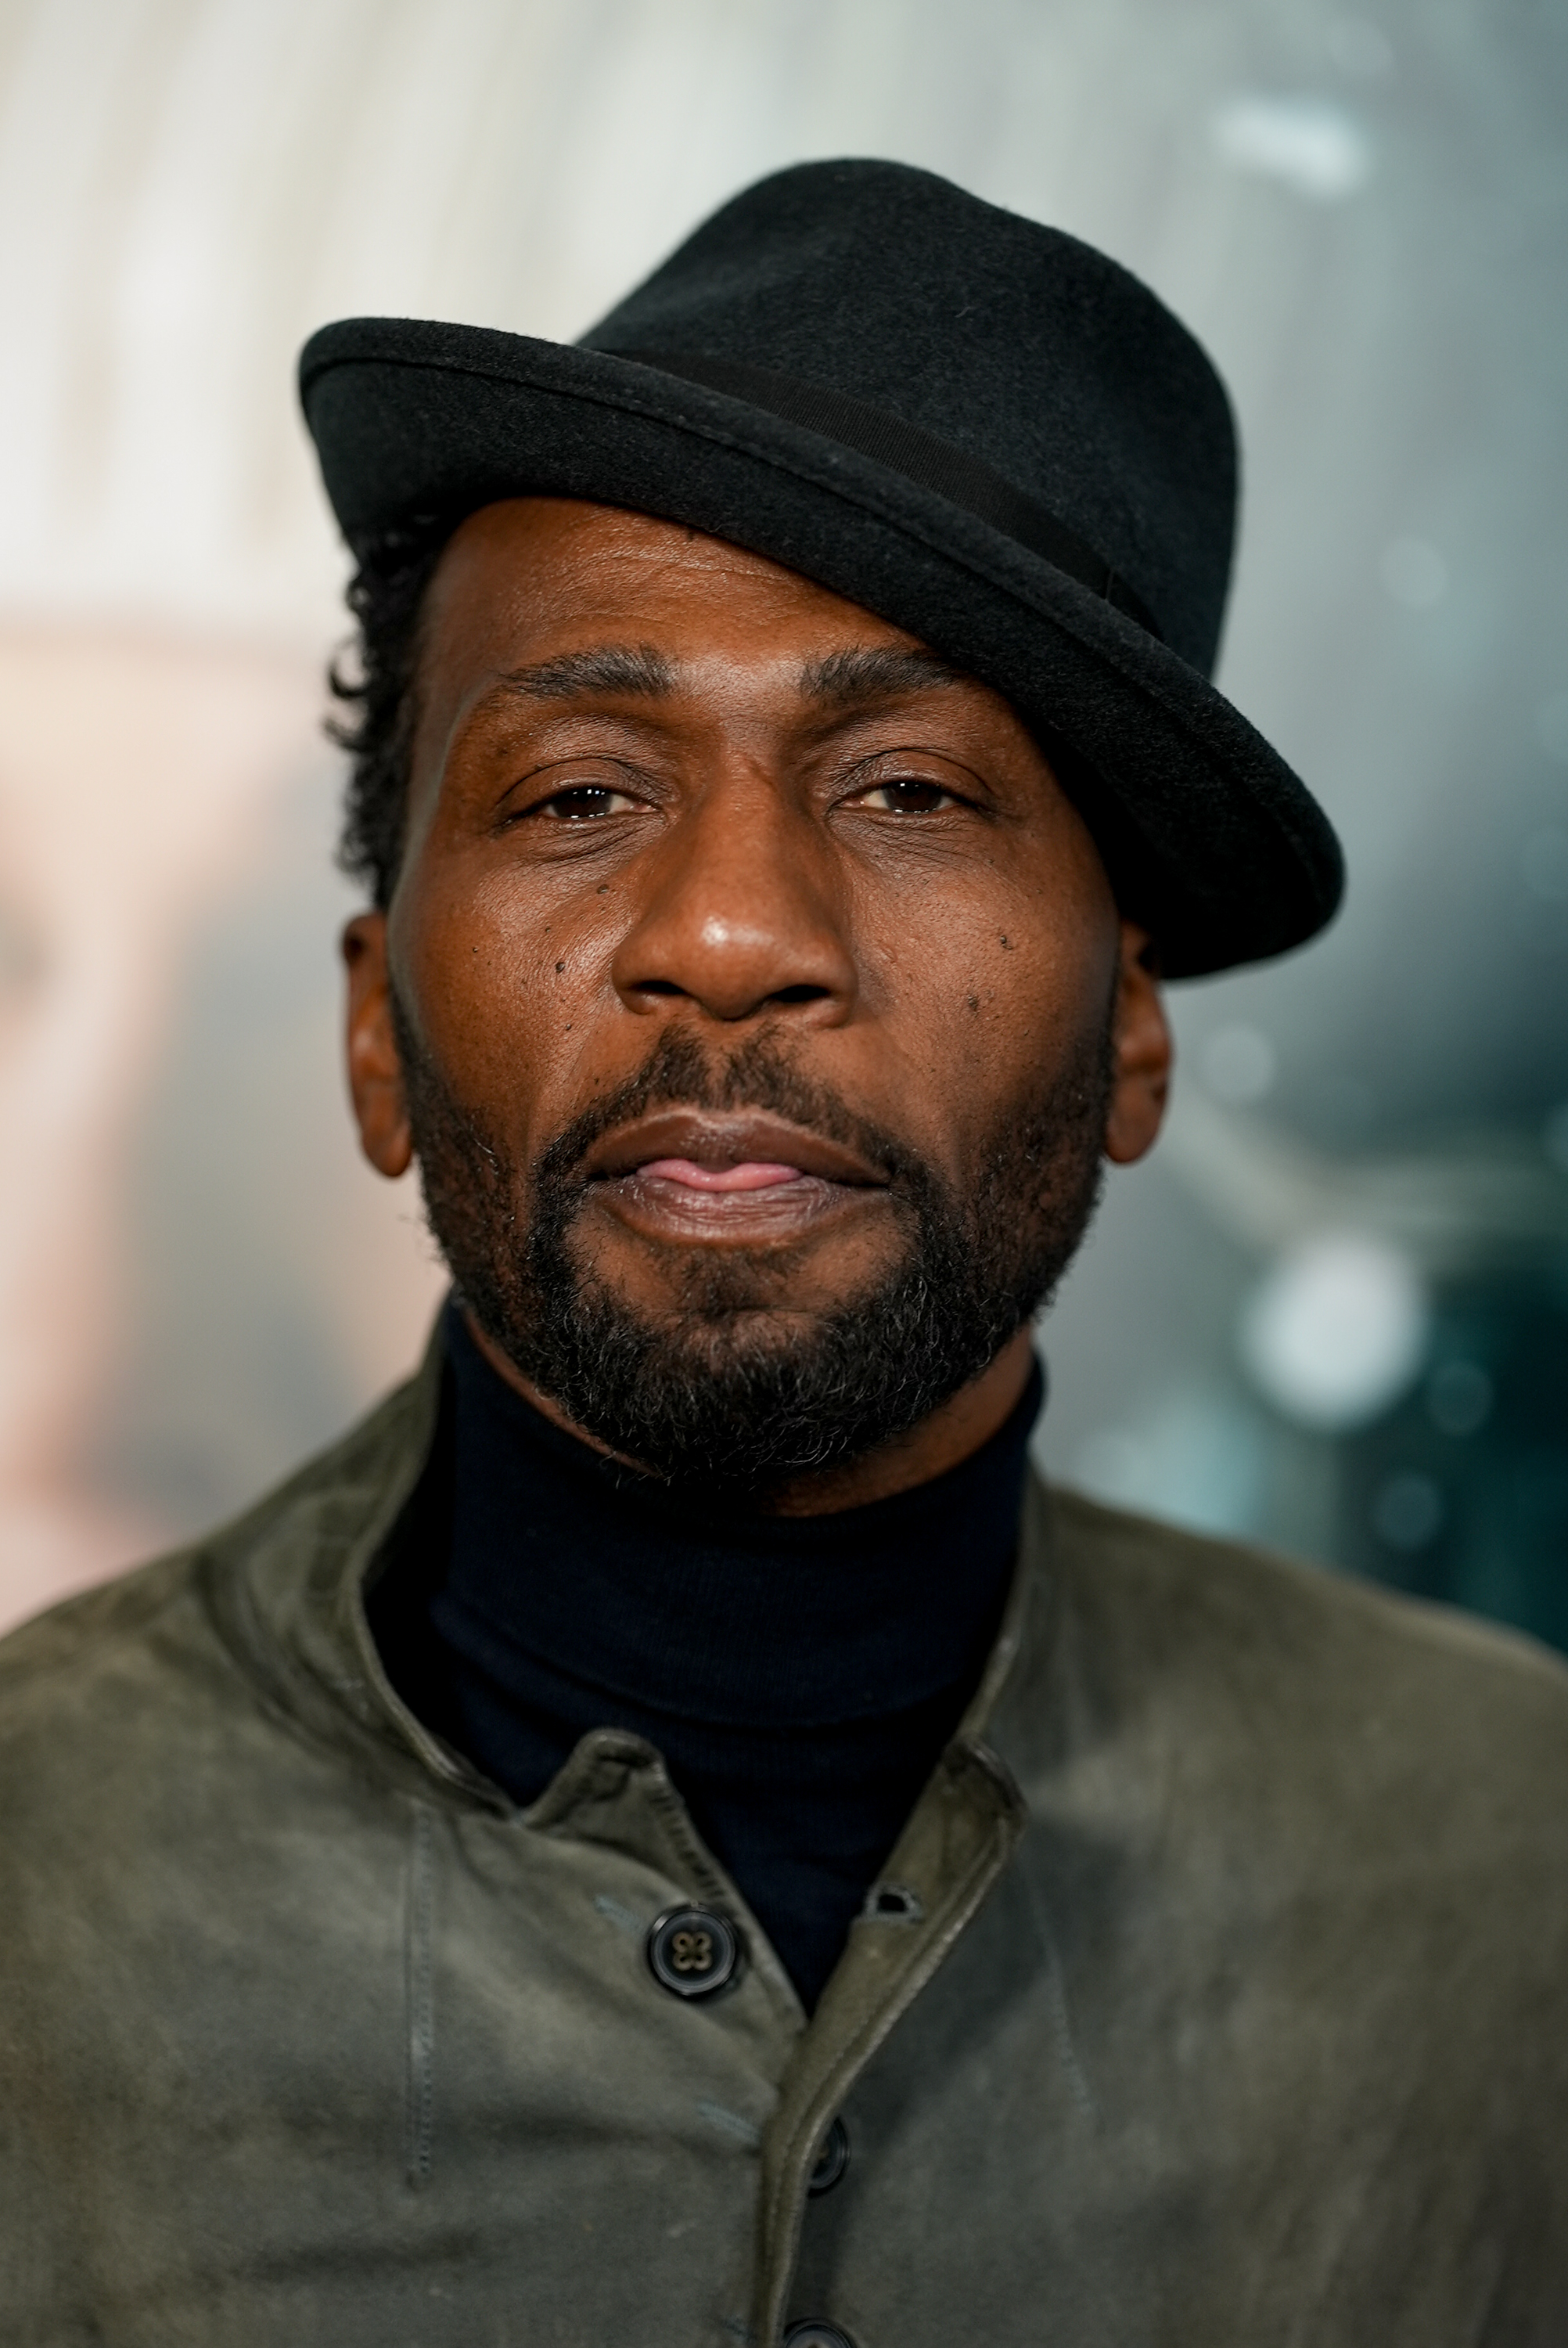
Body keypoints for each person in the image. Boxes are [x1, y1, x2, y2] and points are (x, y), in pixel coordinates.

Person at [1, 159, 1564, 2348]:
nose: (731, 934)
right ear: (378, 1033)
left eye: (911, 790)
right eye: (577, 795)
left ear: (1130, 1031)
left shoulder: (1512, 1866)